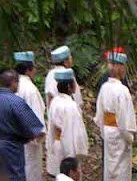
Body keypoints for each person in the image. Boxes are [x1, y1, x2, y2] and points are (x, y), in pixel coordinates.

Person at [94, 51, 137, 181]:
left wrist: (103, 131)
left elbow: (99, 115)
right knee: (121, 169)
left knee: (109, 166)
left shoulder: (104, 87)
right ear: (121, 68)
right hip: (119, 133)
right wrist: (129, 138)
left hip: (107, 131)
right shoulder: (122, 91)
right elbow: (124, 120)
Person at [0, 68, 45, 181]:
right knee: (14, 176)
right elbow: (34, 128)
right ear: (14, 82)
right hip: (10, 148)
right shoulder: (15, 102)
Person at [46, 69, 88, 178]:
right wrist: (74, 155)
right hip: (67, 146)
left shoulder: (55, 102)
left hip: (57, 143)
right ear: (70, 87)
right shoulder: (70, 106)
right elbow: (72, 132)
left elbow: (51, 127)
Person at [14, 52, 46, 181]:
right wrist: (39, 135)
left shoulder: (11, 86)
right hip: (28, 140)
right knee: (30, 170)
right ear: (29, 70)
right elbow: (36, 116)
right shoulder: (30, 90)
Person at [45, 46, 83, 112]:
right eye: (70, 57)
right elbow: (77, 98)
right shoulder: (68, 74)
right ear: (65, 61)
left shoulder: (50, 74)